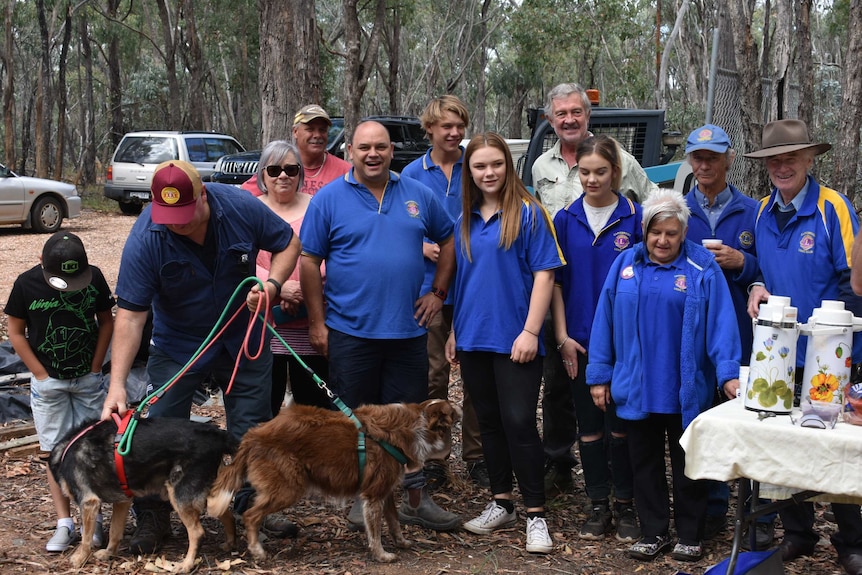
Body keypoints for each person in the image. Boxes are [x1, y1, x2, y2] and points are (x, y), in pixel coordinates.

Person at [101, 160, 301, 554]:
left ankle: (249, 508)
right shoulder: (147, 236)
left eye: (183, 215)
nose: (175, 224)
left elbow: (288, 243)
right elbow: (130, 317)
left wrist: (273, 286)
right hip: (179, 346)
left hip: (243, 338)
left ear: (203, 196)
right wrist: (117, 385)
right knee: (158, 430)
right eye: (167, 216)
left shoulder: (240, 207)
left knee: (252, 429)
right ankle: (155, 517)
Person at [299, 120, 460, 532]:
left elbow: (448, 242)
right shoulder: (329, 199)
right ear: (350, 149)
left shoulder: (417, 194)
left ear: (392, 151)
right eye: (365, 147)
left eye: (381, 147)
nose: (373, 154)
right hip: (351, 332)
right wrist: (318, 324)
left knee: (409, 423)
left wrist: (437, 294)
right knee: (356, 422)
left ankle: (415, 498)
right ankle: (361, 499)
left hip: (407, 333)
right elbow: (309, 263)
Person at [587, 188, 741, 562]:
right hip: (637, 385)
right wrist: (599, 374)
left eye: (671, 233)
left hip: (685, 388)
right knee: (644, 462)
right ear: (644, 230)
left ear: (683, 233)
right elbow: (604, 321)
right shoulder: (625, 265)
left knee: (690, 464)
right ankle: (653, 531)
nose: (663, 240)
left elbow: (722, 324)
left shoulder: (702, 268)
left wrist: (728, 374)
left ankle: (690, 533)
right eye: (656, 232)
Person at [745, 119, 862, 575]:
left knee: (838, 446)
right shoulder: (760, 212)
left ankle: (851, 537)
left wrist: (839, 343)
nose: (781, 166)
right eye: (774, 159)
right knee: (785, 446)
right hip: (780, 355)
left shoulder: (834, 209)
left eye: (790, 158)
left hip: (833, 355)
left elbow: (854, 283)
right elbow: (762, 269)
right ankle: (799, 532)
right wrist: (755, 282)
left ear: (810, 159)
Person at [531, 82, 658, 495]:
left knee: (623, 402)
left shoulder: (624, 172)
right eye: (560, 114)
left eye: (575, 112)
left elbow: (658, 208)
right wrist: (561, 330)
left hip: (622, 314)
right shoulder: (541, 168)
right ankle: (561, 466)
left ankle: (626, 487)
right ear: (551, 121)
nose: (568, 120)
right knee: (560, 389)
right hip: (568, 299)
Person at [446, 132, 563, 554]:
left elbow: (545, 275)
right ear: (469, 172)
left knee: (518, 423)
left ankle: (535, 514)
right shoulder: (464, 217)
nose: (488, 172)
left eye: (496, 164)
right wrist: (456, 332)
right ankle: (502, 502)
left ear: (507, 167)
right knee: (489, 424)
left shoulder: (529, 213)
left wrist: (531, 331)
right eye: (479, 166)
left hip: (516, 338)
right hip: (474, 336)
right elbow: (464, 281)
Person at [549, 135, 641, 543]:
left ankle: (625, 505)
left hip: (625, 343)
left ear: (615, 173)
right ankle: (598, 504)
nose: (591, 179)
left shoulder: (636, 219)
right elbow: (554, 283)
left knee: (621, 427)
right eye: (584, 172)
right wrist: (563, 336)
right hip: (580, 341)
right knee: (588, 426)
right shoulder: (566, 220)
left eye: (600, 171)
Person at [681, 124, 766, 545]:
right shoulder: (676, 212)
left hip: (747, 339)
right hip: (693, 341)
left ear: (729, 158)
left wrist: (743, 263)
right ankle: (713, 510)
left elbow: (773, 271)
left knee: (753, 426)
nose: (704, 164)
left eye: (712, 156)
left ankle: (759, 516)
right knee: (706, 426)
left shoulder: (755, 213)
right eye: (697, 157)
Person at [5, 232, 114, 553]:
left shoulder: (94, 279)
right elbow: (15, 331)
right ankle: (64, 523)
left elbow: (106, 321)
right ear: (41, 263)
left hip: (87, 380)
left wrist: (96, 366)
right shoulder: (26, 284)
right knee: (55, 452)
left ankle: (92, 522)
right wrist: (39, 373)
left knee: (92, 451)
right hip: (48, 383)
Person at [401, 95, 486, 489]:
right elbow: (396, 226)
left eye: (459, 125)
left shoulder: (478, 165)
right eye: (445, 126)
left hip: (475, 285)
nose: (454, 133)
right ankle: (434, 456)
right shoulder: (410, 174)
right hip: (429, 288)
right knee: (433, 375)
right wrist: (421, 245)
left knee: (476, 374)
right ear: (430, 129)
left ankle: (477, 455)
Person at [254, 140, 330, 412]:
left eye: (290, 169)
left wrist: (304, 288)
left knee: (314, 408)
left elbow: (333, 254)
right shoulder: (249, 209)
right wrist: (278, 286)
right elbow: (240, 260)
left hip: (312, 321)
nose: (283, 175)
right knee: (265, 406)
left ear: (300, 173)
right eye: (274, 170)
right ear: (263, 173)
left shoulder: (319, 207)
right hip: (265, 324)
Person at [241, 104, 351, 197]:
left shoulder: (345, 172)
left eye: (322, 130)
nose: (317, 135)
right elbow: (244, 197)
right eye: (310, 129)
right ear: (295, 132)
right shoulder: (277, 169)